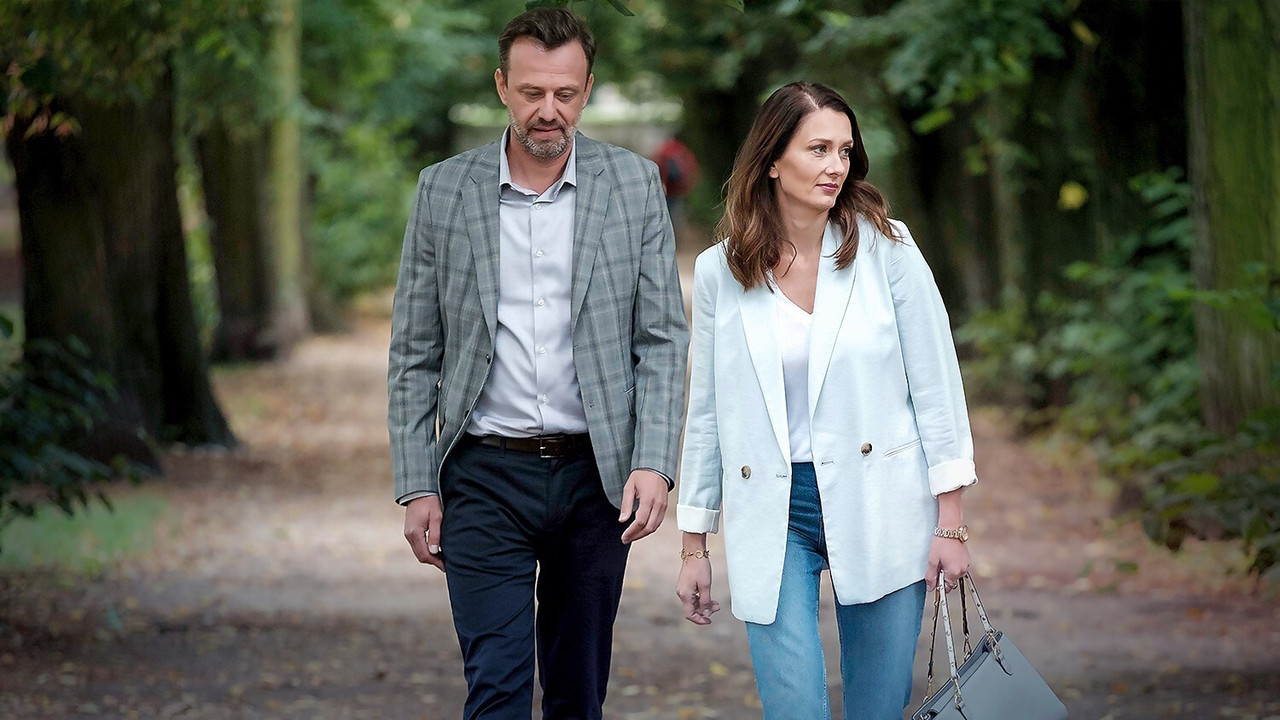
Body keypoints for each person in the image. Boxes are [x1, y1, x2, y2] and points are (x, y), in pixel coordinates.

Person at [387, 8, 688, 719]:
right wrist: (416, 484)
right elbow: (414, 353)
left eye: (564, 93)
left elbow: (661, 339)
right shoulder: (443, 190)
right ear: (502, 86)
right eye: (530, 92)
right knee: (496, 688)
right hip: (482, 475)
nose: (547, 111)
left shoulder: (634, 185)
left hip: (596, 479)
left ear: (587, 91)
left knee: (577, 695)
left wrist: (654, 462)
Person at [674, 81, 976, 719]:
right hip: (773, 508)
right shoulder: (721, 271)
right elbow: (707, 413)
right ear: (772, 160)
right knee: (793, 708)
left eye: (844, 150)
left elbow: (937, 384)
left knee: (877, 707)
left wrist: (949, 521)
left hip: (881, 498)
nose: (836, 165)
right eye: (817, 149)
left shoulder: (888, 248)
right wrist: (694, 542)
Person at [652, 133, 701, 228]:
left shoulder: (665, 149)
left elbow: (656, 166)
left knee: (662, 214)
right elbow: (692, 170)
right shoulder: (683, 151)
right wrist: (688, 187)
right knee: (674, 214)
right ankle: (673, 230)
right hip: (677, 190)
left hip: (664, 188)